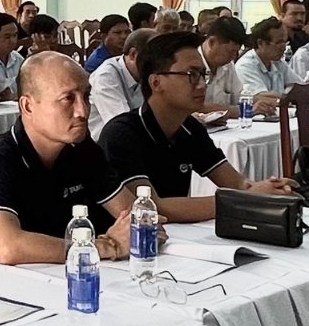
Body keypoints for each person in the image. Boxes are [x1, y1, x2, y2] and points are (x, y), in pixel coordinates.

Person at [0, 53, 145, 275]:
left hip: (63, 276)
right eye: (68, 99)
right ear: (28, 106)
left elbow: (135, 215)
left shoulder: (81, 149)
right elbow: (9, 247)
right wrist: (100, 247)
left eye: (86, 96)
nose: (83, 111)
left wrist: (138, 227)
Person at [101, 32, 294, 218]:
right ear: (156, 82)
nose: (202, 84)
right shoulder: (122, 134)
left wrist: (270, 189)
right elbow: (151, 207)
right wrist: (244, 199)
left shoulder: (190, 128)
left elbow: (238, 184)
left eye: (203, 75)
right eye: (191, 75)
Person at [88, 27, 153, 139]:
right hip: (104, 148)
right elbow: (123, 124)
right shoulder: (105, 77)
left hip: (134, 140)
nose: (161, 63)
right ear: (133, 55)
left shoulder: (146, 74)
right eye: (155, 57)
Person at [202, 15, 269, 113]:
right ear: (212, 42)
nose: (233, 57)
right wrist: (243, 111)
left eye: (236, 52)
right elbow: (196, 108)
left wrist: (266, 102)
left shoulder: (227, 65)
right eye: (230, 51)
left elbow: (240, 96)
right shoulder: (190, 64)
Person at [235, 17, 294, 97]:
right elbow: (262, 96)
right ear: (261, 43)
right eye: (279, 42)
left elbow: (297, 85)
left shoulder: (279, 63)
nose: (283, 48)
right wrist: (290, 97)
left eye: (285, 42)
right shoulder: (245, 65)